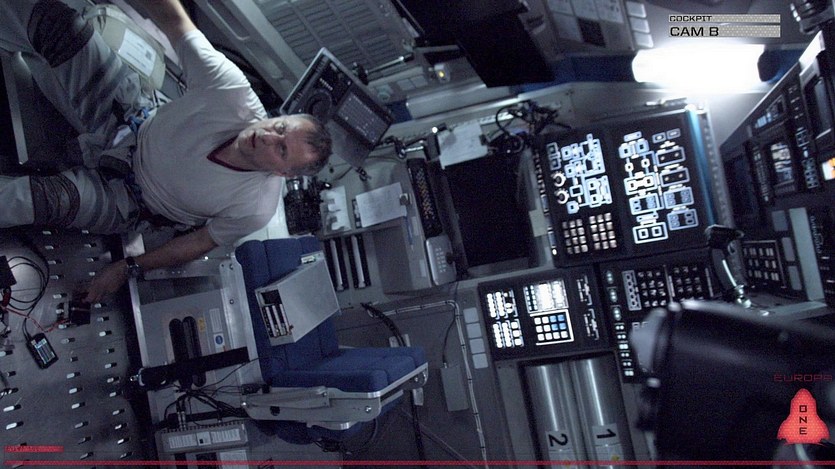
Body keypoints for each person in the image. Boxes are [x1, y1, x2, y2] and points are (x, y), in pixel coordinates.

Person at [0, 0, 332, 303]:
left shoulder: (256, 208)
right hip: (129, 120)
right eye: (280, 127)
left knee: (40, 199)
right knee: (57, 24)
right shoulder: (233, 92)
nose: (268, 136)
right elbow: (176, 23)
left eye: (281, 149)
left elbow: (198, 243)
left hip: (128, 199)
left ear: (282, 173)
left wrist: (125, 268)